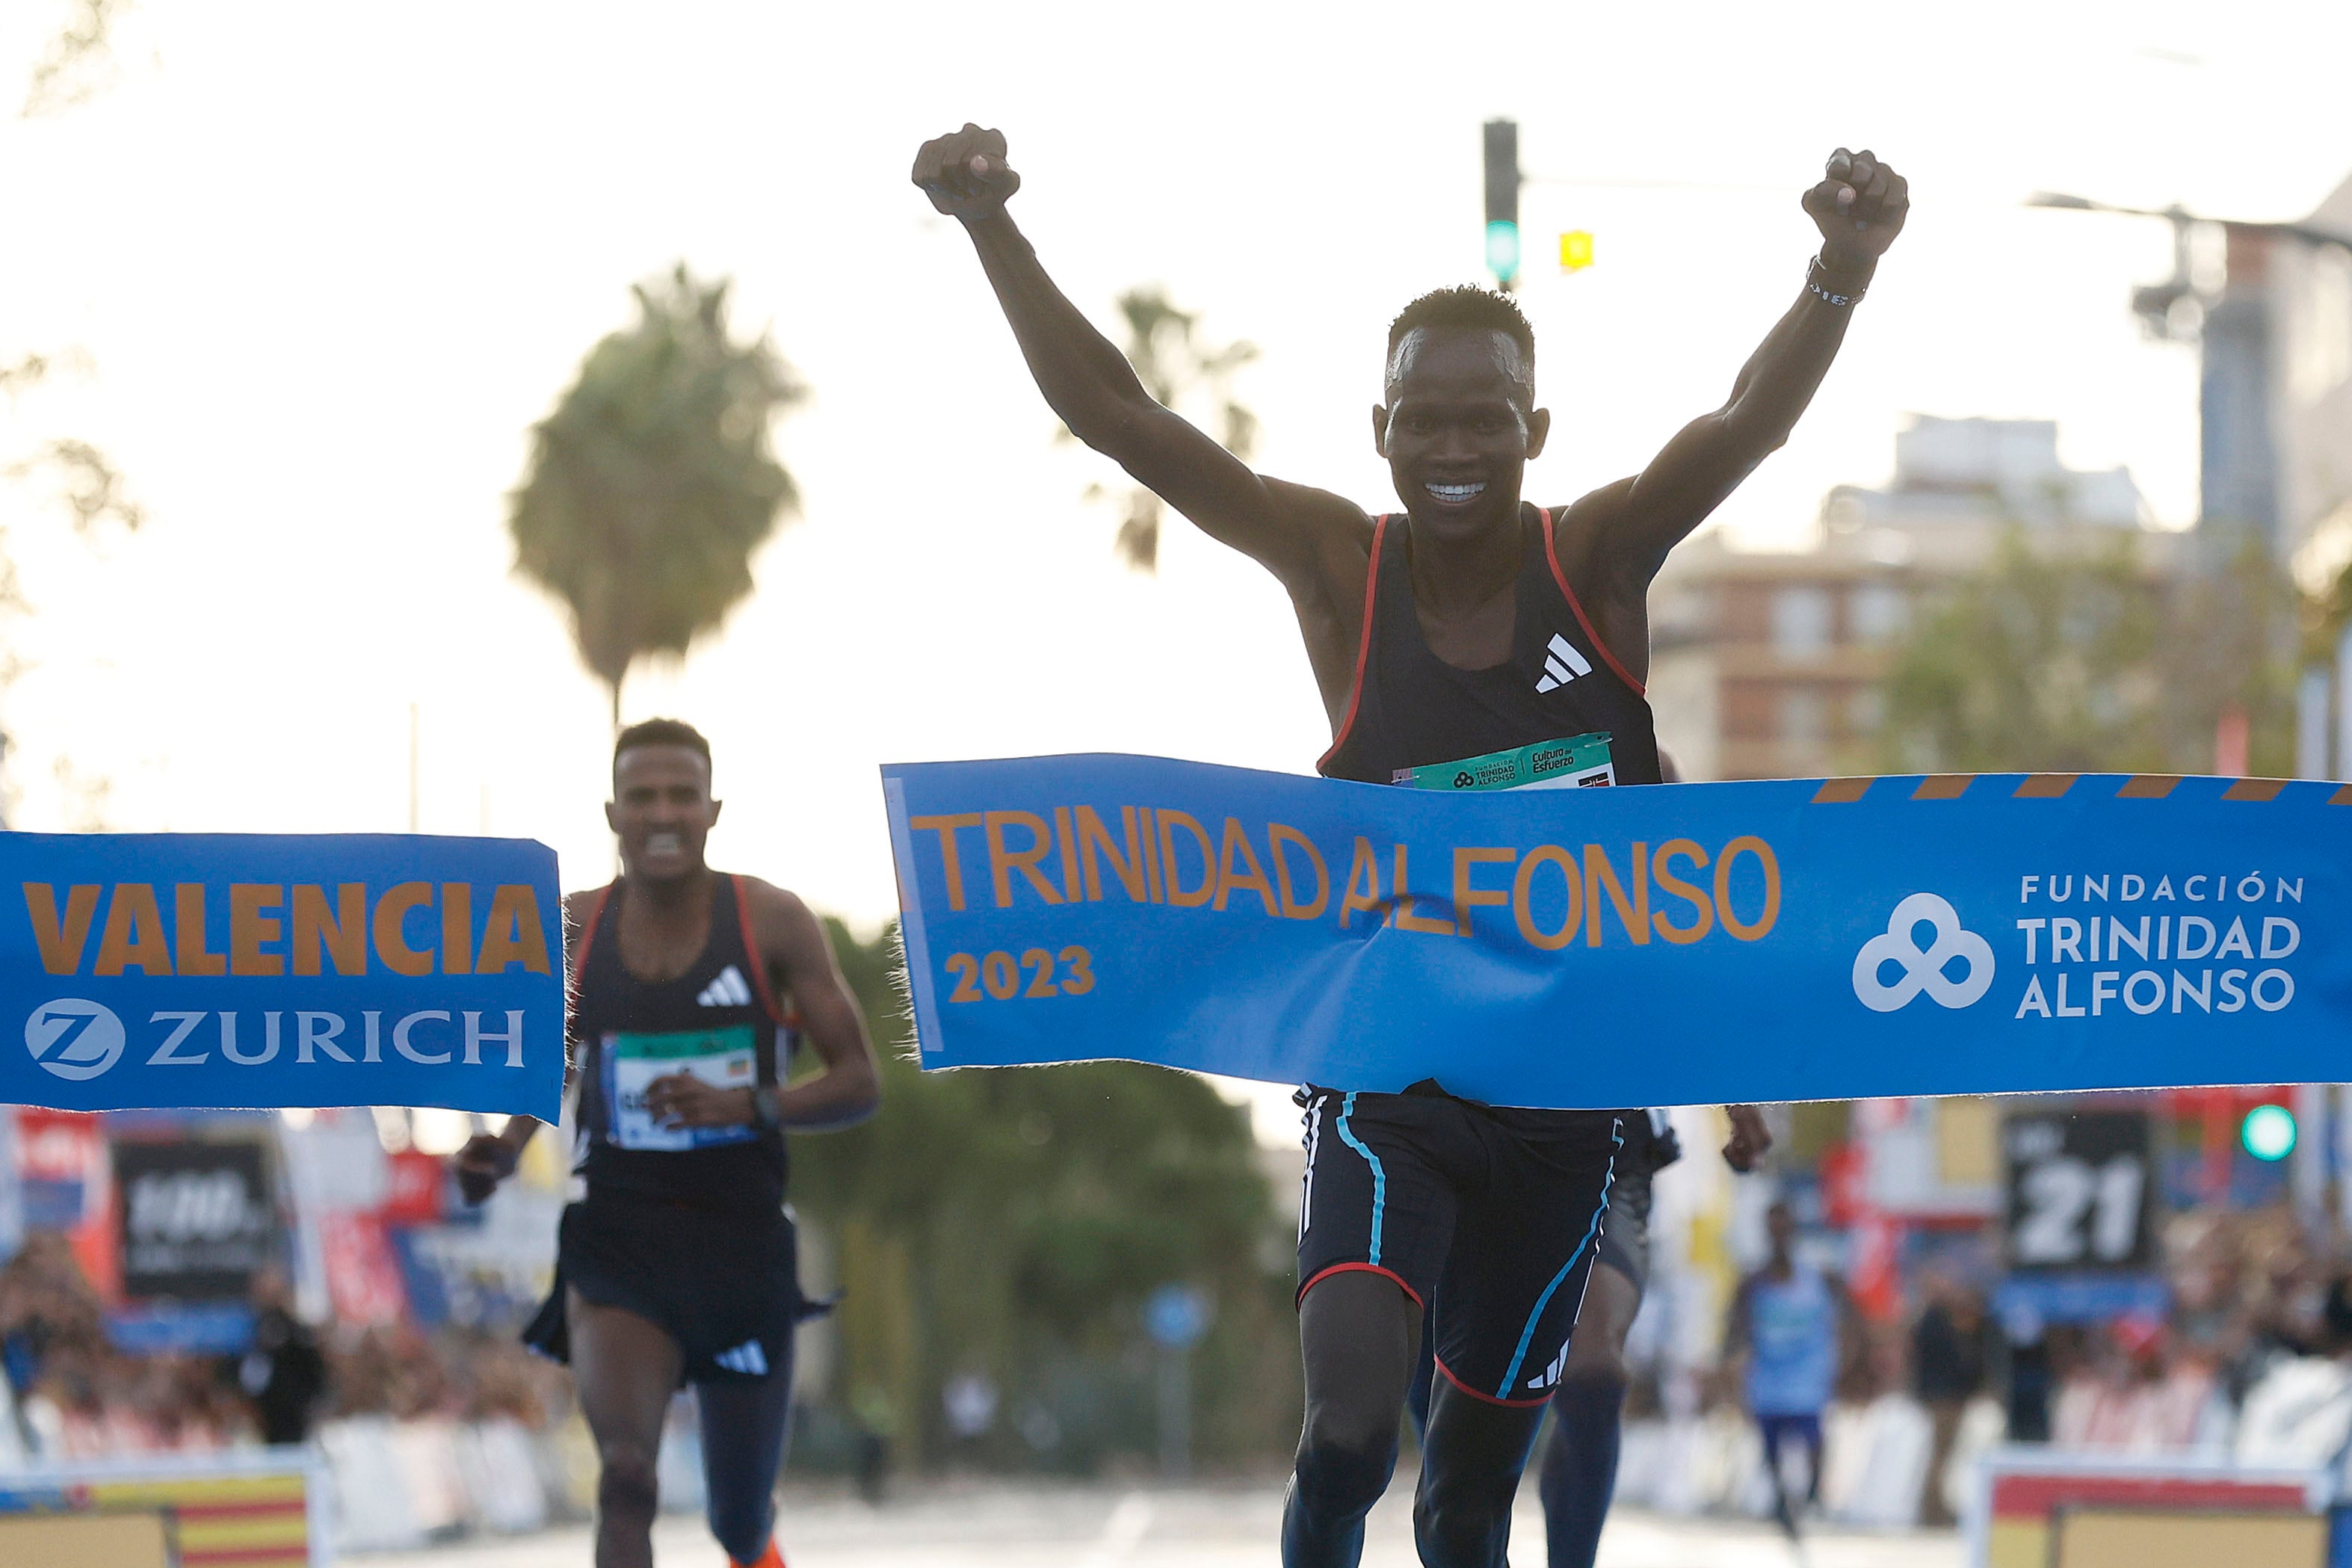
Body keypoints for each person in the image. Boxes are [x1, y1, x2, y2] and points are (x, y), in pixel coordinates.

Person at [913, 123, 1905, 1567]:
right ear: (1377, 430)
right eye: (1422, 419)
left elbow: (1743, 423)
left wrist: (1839, 270)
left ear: (1533, 431)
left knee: (1463, 1501)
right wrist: (993, 227)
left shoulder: (1602, 557)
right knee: (1351, 1429)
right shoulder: (1336, 567)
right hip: (1389, 1076)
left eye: (1483, 418)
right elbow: (1125, 418)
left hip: (1565, 1102)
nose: (1452, 447)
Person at [454, 718, 881, 1568]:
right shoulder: (571, 929)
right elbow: (547, 1069)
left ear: (712, 809)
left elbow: (859, 1083)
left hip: (742, 1243)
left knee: (739, 1519)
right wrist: (500, 1152)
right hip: (621, 1239)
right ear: (612, 812)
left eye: (681, 794)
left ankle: (754, 1544)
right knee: (625, 1477)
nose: (662, 812)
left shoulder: (772, 922)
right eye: (642, 795)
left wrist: (747, 1105)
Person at [1405, 1106, 1771, 1567]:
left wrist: (1741, 1103)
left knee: (1595, 1374)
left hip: (1606, 1120)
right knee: (1443, 1408)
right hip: (1459, 1115)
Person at [1726, 1200, 1845, 1538]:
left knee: (1815, 1442)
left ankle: (1812, 1497)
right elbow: (1734, 1329)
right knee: (1771, 1449)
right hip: (1768, 1380)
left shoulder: (1819, 1277)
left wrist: (1846, 1361)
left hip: (1809, 1379)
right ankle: (1782, 1505)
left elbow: (1849, 1319)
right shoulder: (1752, 1283)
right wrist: (1731, 1361)